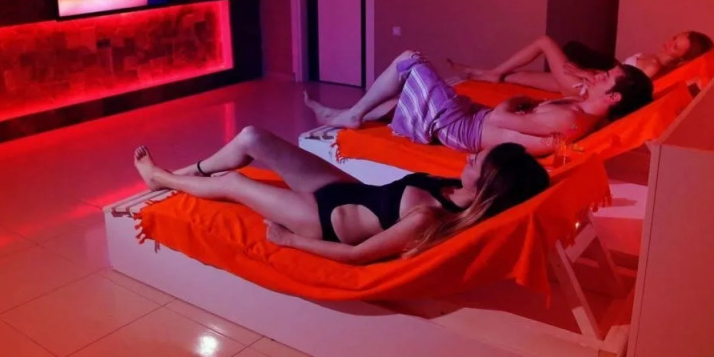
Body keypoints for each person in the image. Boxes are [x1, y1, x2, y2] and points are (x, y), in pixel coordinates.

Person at [133, 129, 548, 264]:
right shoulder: (452, 184)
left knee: (234, 183)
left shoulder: (430, 218)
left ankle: (161, 178)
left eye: (478, 161)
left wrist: (290, 240)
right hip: (342, 190)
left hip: (321, 221)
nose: (470, 156)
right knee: (252, 138)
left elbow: (358, 255)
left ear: (487, 185)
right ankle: (184, 174)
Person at [305, 51, 652, 157]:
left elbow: (501, 117)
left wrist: (520, 99)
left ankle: (352, 115)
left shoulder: (570, 120)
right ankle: (346, 114)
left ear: (614, 97)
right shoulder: (579, 108)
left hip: (461, 129)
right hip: (472, 118)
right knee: (401, 97)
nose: (599, 75)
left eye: (607, 77)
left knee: (410, 61)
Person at [449, 31, 713, 94]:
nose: (669, 42)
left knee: (544, 42)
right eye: (675, 37)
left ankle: (492, 73)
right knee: (515, 77)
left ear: (682, 57)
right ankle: (482, 74)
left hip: (584, 88)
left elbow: (615, 91)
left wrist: (582, 74)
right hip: (585, 80)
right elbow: (614, 74)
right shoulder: (651, 57)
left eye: (676, 46)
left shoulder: (653, 68)